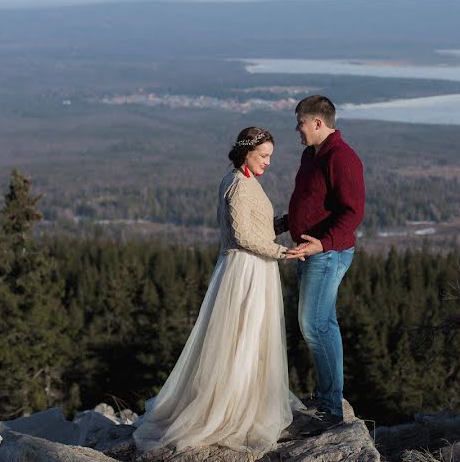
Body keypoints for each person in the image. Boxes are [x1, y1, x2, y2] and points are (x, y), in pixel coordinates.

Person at [133, 127, 303, 455]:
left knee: (247, 337)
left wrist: (284, 223)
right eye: (264, 155)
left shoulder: (239, 178)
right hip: (247, 270)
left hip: (252, 266)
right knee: (243, 337)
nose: (268, 162)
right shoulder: (239, 185)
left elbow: (257, 228)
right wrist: (283, 252)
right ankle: (232, 409)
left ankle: (243, 401)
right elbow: (241, 236)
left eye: (270, 156)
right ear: (246, 152)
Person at [280, 95, 366, 434]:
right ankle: (328, 399)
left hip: (329, 254)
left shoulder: (342, 158)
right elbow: (315, 202)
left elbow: (353, 211)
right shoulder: (310, 154)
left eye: (300, 122)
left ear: (318, 123)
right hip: (313, 250)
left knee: (315, 325)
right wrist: (288, 222)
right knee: (318, 322)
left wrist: (323, 243)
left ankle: (331, 408)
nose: (296, 129)